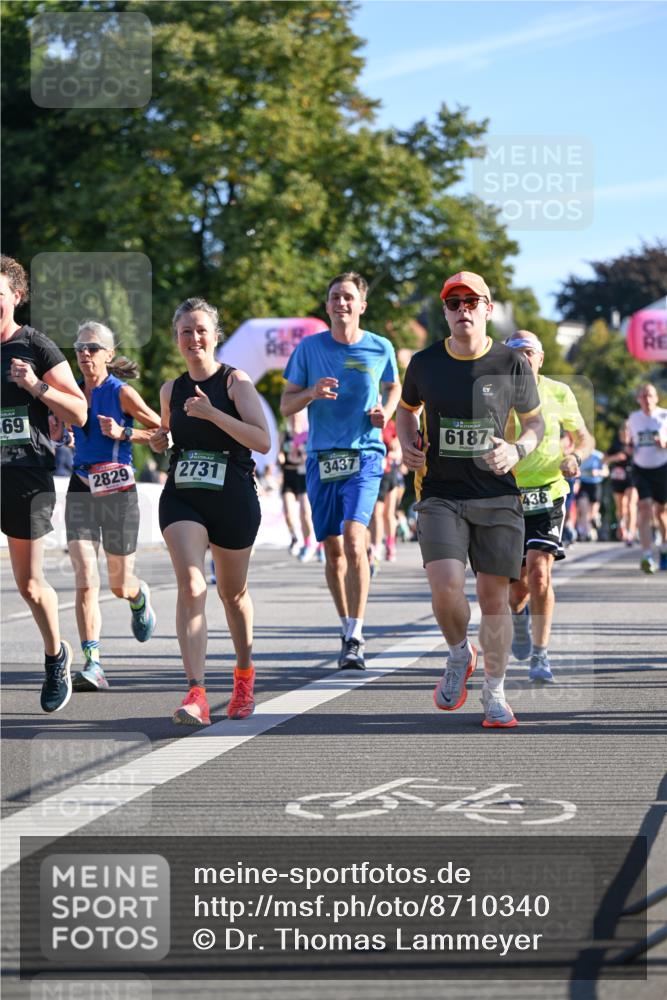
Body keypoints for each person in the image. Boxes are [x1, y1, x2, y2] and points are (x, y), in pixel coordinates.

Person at [396, 271, 544, 728]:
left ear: (487, 308)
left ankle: (495, 692)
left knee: (493, 597)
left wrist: (516, 448)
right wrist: (406, 444)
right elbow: (407, 411)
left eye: (471, 301)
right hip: (440, 491)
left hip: (497, 495)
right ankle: (460, 654)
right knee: (444, 587)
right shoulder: (424, 363)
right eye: (454, 302)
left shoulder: (510, 363)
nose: (463, 309)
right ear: (445, 311)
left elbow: (535, 424)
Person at [150, 297, 270, 726]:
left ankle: (243, 676)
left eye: (201, 330)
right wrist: (158, 441)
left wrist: (212, 413)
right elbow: (167, 436)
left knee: (232, 594)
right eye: (186, 331)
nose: (194, 338)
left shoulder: (236, 383)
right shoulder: (170, 389)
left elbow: (262, 441)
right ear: (176, 338)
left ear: (215, 336)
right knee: (192, 585)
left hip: (233, 498)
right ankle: (196, 692)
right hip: (183, 494)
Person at [280, 272, 401, 669]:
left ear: (362, 305)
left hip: (365, 454)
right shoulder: (309, 349)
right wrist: (311, 393)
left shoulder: (380, 347)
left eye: (349, 297)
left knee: (354, 539)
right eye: (335, 297)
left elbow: (393, 386)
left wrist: (387, 411)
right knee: (333, 551)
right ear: (327, 304)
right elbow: (286, 405)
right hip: (321, 458)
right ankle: (344, 623)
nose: (341, 303)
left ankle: (356, 634)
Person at [0, 255, 87, 712]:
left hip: (24, 474)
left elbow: (79, 412)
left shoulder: (34, 345)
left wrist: (36, 386)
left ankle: (56, 656)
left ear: (15, 296)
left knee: (30, 585)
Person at [55, 321, 162, 691]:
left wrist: (125, 433)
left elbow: (163, 432)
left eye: (93, 348)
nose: (84, 354)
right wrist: (63, 434)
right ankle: (93, 663)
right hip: (81, 486)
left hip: (118, 491)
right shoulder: (69, 390)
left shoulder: (122, 393)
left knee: (118, 585)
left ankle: (138, 596)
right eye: (79, 347)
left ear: (109, 354)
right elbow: (64, 427)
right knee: (85, 579)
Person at [503, 331, 594, 683]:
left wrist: (575, 455)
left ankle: (540, 655)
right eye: (516, 354)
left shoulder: (559, 391)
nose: (523, 359)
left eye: (529, 353)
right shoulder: (492, 392)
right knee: (516, 586)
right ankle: (518, 617)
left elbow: (584, 436)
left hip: (548, 492)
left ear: (540, 358)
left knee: (540, 572)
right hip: (506, 494)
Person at [626, 382, 667, 573]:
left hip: (662, 468)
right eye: (643, 396)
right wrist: (630, 447)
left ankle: (664, 548)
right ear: (638, 400)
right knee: (644, 507)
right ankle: (647, 555)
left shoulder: (664, 415)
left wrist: (664, 443)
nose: (647, 399)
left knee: (661, 512)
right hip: (641, 468)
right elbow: (631, 441)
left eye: (650, 395)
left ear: (656, 398)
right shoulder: (633, 419)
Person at [278, 410, 315, 561]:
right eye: (292, 417)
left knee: (305, 512)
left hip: (303, 476)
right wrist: (280, 458)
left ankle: (309, 544)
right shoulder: (285, 435)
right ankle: (294, 537)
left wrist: (301, 456)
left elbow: (310, 456)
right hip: (289, 475)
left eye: (297, 417)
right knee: (287, 511)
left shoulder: (307, 435)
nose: (295, 419)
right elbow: (280, 454)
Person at [368, 419, 403, 572]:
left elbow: (399, 449)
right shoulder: (368, 422)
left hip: (390, 474)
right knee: (376, 514)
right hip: (375, 474)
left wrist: (394, 453)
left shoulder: (391, 425)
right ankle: (376, 548)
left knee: (388, 514)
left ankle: (390, 544)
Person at [604, 421, 637, 545]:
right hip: (618, 478)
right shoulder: (616, 445)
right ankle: (622, 524)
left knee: (630, 504)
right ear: (620, 433)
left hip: (633, 477)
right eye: (623, 431)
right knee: (621, 507)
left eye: (628, 431)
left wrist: (633, 452)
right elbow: (604, 459)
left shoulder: (635, 444)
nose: (625, 433)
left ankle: (630, 533)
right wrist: (615, 457)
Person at [576, 448, 608, 541]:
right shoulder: (580, 456)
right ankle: (586, 532)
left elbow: (606, 472)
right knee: (584, 508)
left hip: (595, 485)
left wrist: (598, 472)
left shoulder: (598, 456)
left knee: (592, 513)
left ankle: (594, 524)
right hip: (583, 484)